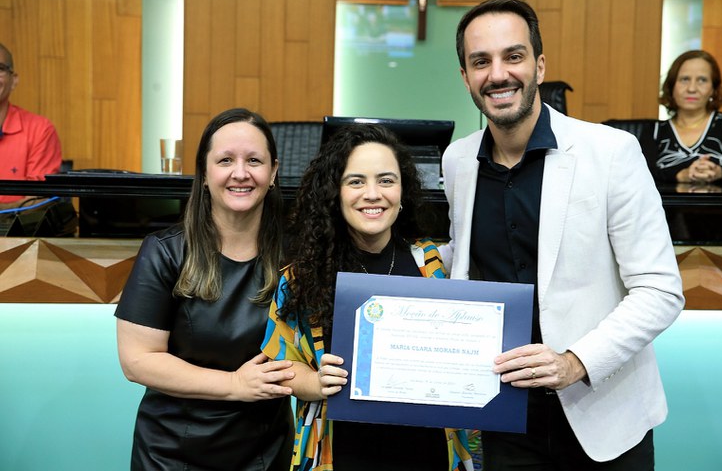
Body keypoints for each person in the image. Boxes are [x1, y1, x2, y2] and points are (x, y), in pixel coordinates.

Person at [442, 0, 685, 469]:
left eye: (513, 56)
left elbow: (660, 290)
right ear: (465, 76)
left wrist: (573, 362)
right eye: (481, 61)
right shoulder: (458, 160)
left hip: (606, 416)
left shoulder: (611, 152)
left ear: (539, 65)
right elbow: (463, 261)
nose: (498, 74)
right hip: (504, 418)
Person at [261, 124, 472, 471]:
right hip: (339, 452)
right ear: (335, 192)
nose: (373, 194)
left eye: (386, 180)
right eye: (356, 181)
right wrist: (314, 383)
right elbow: (279, 364)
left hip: (428, 450)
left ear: (403, 191)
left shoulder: (431, 263)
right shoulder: (299, 278)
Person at [115, 108, 294, 470]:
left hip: (265, 451)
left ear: (273, 171)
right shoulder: (165, 252)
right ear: (205, 172)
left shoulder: (296, 254)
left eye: (254, 160)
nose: (240, 173)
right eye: (225, 160)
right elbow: (137, 361)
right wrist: (234, 384)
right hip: (172, 454)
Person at [642, 49, 722, 184]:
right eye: (685, 79)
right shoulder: (653, 131)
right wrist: (680, 175)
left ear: (713, 89)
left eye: (702, 80)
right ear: (671, 86)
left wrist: (720, 172)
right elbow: (640, 175)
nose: (692, 89)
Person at [0, 42, 63, 208]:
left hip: (17, 226)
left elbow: (36, 204)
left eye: (0, 68)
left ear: (14, 80)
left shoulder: (40, 130)